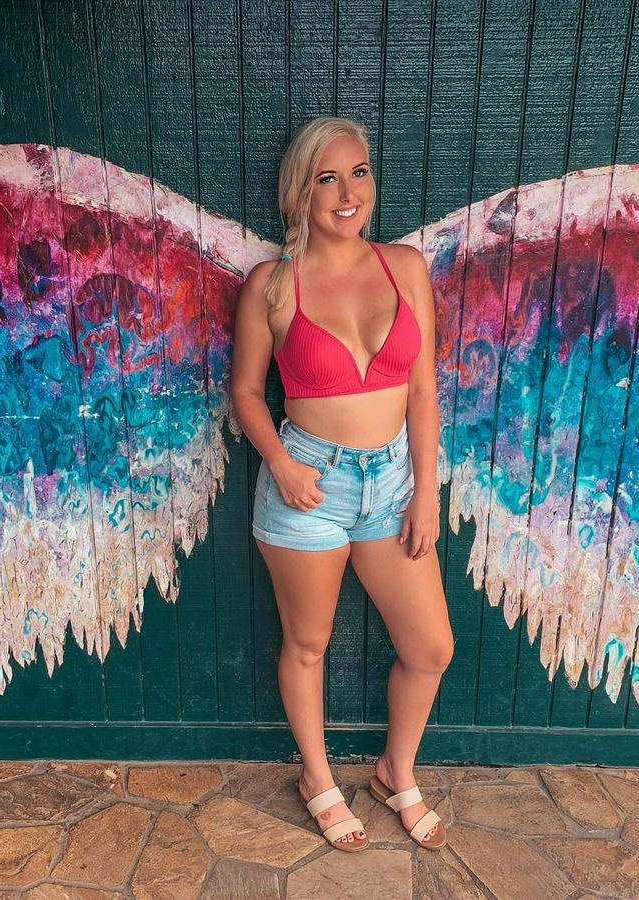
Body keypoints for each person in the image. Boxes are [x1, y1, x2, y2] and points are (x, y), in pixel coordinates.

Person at [230, 116, 455, 852]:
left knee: (430, 648)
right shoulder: (272, 285)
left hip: (391, 483)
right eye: (328, 177)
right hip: (310, 486)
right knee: (308, 643)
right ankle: (318, 778)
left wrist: (426, 490)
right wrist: (283, 465)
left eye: (358, 172)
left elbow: (423, 390)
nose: (347, 191)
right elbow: (245, 393)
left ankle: (396, 769)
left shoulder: (405, 267)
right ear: (300, 191)